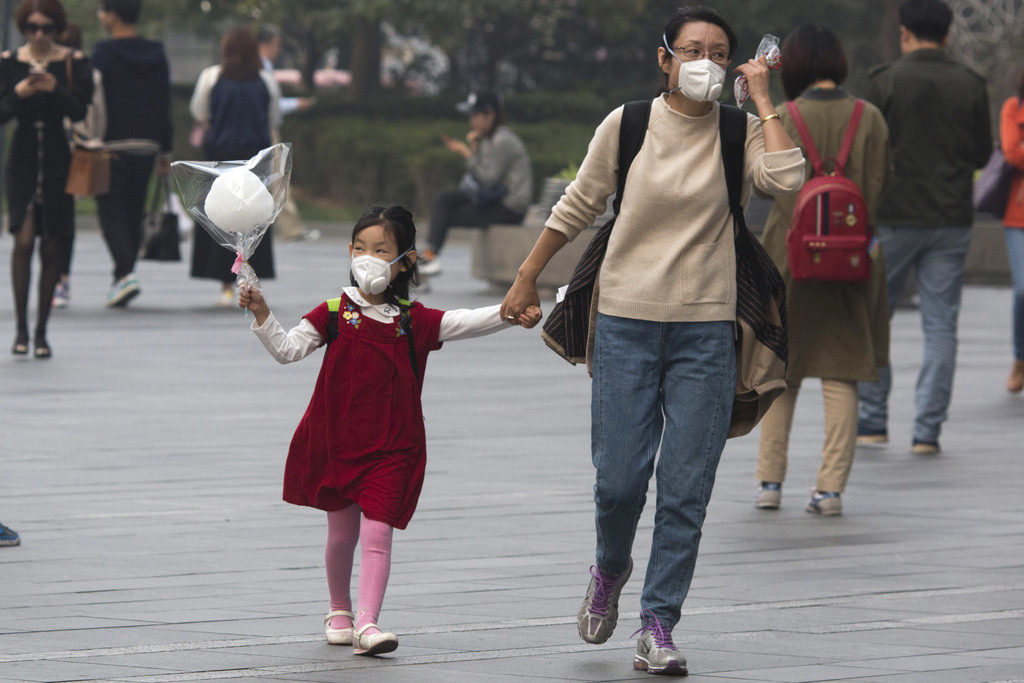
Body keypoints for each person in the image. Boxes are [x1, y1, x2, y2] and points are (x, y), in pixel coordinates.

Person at [501, 6, 804, 675]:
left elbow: (787, 181)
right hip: (626, 325)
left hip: (707, 330)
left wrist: (763, 97)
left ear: (732, 65)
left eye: (719, 52)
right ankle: (610, 567)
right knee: (618, 480)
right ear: (664, 57)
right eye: (691, 49)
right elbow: (577, 204)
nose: (704, 61)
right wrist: (527, 277)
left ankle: (657, 622)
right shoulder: (629, 122)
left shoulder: (739, 129)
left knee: (685, 488)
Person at [238, 205, 540, 656]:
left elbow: (467, 320)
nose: (368, 258)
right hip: (337, 442)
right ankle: (338, 609)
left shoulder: (412, 320)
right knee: (341, 536)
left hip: (391, 449)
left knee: (378, 535)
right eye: (360, 248)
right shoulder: (335, 312)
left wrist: (510, 312)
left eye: (381, 249)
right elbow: (287, 349)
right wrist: (261, 309)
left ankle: (367, 622)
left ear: (407, 260)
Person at [752, 23, 892, 516]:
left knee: (781, 371)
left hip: (788, 258)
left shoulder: (785, 116)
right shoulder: (869, 117)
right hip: (853, 262)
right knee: (841, 372)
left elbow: (768, 187)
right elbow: (880, 185)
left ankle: (770, 483)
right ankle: (829, 490)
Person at [856, 0, 991, 454]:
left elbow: (866, 149)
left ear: (904, 33)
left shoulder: (884, 81)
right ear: (948, 34)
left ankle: (873, 421)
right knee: (941, 326)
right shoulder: (971, 84)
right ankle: (927, 431)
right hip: (950, 219)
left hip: (892, 216)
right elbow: (980, 155)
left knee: (877, 317)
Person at [0, 0, 93, 358]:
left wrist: (55, 87)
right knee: (23, 241)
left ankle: (41, 332)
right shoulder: (9, 62)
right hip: (21, 158)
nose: (39, 35)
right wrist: (17, 94)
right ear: (24, 28)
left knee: (52, 243)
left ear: (58, 28)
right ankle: (21, 328)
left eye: (47, 28)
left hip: (58, 158)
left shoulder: (74, 61)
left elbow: (80, 109)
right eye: (32, 28)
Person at [91, 0, 173, 307]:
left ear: (111, 15)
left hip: (111, 145)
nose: (100, 17)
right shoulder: (157, 53)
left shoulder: (103, 53)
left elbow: (91, 99)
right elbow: (164, 102)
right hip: (147, 146)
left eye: (102, 11)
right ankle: (121, 278)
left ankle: (125, 274)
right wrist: (165, 149)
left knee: (110, 210)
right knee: (133, 213)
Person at [190, 26, 279, 306]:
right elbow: (273, 118)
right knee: (252, 219)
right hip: (255, 160)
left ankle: (224, 285)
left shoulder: (211, 76)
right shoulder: (266, 79)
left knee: (220, 217)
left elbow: (199, 112)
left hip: (219, 159)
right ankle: (250, 276)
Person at [419, 91, 532, 276]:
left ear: (491, 115)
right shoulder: (489, 138)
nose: (472, 121)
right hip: (495, 200)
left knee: (447, 214)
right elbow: (485, 174)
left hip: (510, 209)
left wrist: (467, 153)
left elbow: (488, 179)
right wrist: (474, 149)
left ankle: (427, 261)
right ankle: (428, 258)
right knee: (444, 199)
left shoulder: (502, 140)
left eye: (475, 115)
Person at [52, 22, 106, 309]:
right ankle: (61, 278)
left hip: (69, 150)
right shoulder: (91, 73)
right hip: (75, 148)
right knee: (63, 216)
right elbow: (99, 117)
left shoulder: (84, 73)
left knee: (58, 216)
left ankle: (58, 279)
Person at [255, 24, 318, 243]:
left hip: (251, 127)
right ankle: (291, 228)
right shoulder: (261, 67)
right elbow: (271, 105)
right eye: (276, 44)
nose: (278, 49)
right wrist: (295, 104)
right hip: (265, 127)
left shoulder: (253, 66)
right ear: (264, 44)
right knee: (277, 177)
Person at [998, 72, 1024, 394]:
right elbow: (1012, 151)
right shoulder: (1012, 108)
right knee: (1022, 290)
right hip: (1018, 215)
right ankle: (1020, 357)